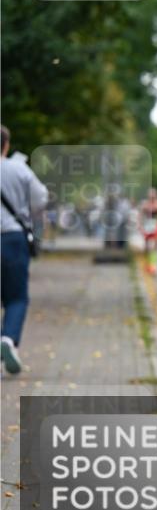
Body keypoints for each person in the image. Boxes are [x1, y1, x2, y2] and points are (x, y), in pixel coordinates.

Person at [1, 126, 49, 374]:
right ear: (6, 144)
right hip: (12, 238)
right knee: (16, 297)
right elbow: (40, 199)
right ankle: (8, 339)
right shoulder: (19, 168)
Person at [139, 188, 157, 274]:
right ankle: (147, 264)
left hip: (156, 225)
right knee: (147, 246)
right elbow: (140, 215)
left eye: (153, 195)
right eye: (150, 195)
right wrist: (140, 226)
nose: (152, 197)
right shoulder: (144, 204)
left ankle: (153, 265)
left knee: (155, 246)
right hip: (147, 225)